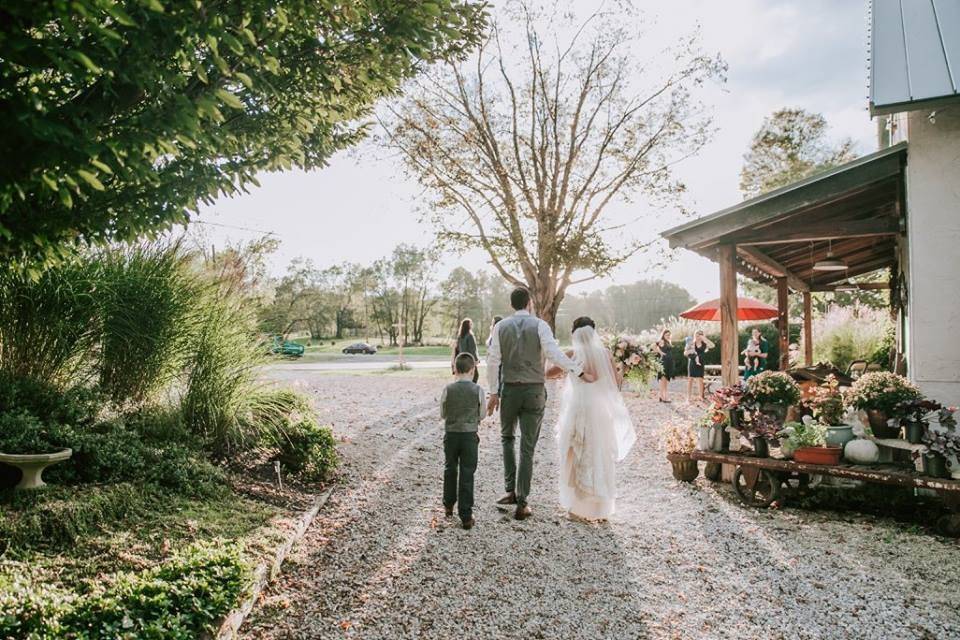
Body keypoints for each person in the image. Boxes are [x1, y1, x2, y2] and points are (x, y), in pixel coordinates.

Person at [486, 287, 596, 521]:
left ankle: (509, 491)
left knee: (507, 439)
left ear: (512, 304)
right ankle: (522, 502)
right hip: (534, 390)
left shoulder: (500, 327)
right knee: (527, 446)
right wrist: (577, 370)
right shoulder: (540, 325)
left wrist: (493, 393)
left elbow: (493, 361)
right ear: (529, 303)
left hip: (509, 391)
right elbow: (554, 353)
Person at [547, 317, 636, 521]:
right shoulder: (605, 355)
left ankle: (578, 507)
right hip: (600, 412)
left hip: (578, 411)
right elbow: (615, 384)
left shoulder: (571, 354)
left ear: (574, 333)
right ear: (594, 333)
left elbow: (549, 373)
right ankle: (601, 509)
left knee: (577, 455)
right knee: (600, 455)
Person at [440, 353, 485, 530]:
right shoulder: (478, 390)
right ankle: (466, 515)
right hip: (469, 436)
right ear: (472, 370)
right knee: (467, 472)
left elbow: (442, 413)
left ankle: (448, 505)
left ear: (455, 369)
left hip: (451, 434)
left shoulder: (448, 389)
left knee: (450, 467)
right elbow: (482, 414)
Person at [685, 330, 715, 403]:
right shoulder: (691, 343)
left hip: (700, 363)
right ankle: (688, 398)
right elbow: (685, 353)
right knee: (690, 380)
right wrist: (690, 352)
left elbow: (712, 345)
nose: (698, 337)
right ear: (694, 335)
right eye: (697, 335)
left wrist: (704, 338)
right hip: (692, 362)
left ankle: (700, 397)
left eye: (700, 335)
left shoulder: (704, 344)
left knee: (700, 379)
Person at [451, 318, 479, 383]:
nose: (472, 325)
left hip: (461, 359)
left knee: (463, 376)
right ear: (468, 325)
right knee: (475, 376)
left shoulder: (460, 336)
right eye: (471, 324)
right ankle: (471, 389)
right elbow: (473, 349)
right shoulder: (470, 336)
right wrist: (476, 360)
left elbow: (457, 348)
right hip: (469, 359)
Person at [654, 329, 674, 403]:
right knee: (663, 381)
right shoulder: (662, 341)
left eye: (669, 335)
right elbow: (653, 346)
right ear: (663, 335)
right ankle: (663, 397)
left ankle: (662, 396)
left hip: (668, 363)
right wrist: (660, 352)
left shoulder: (668, 341)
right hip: (664, 362)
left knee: (665, 381)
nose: (668, 336)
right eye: (667, 335)